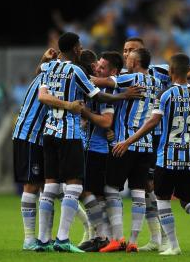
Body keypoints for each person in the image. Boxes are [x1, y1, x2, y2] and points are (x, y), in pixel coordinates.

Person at [92, 36, 190, 252]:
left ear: (138, 55)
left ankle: (127, 238)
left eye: (130, 51)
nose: (126, 54)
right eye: (124, 50)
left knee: (127, 190)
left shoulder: (135, 77)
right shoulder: (158, 81)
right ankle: (144, 239)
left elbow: (102, 83)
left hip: (139, 140)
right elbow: (184, 72)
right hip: (151, 144)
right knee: (144, 190)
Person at [34, 32, 143, 253]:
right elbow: (97, 96)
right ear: (75, 48)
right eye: (80, 45)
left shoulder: (48, 68)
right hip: (70, 135)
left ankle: (44, 240)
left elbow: (42, 96)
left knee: (52, 185)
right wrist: (123, 96)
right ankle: (66, 239)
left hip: (50, 132)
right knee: (75, 186)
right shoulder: (76, 72)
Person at [12, 48, 84, 251]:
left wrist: (43, 60)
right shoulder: (57, 76)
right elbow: (45, 98)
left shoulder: (47, 72)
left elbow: (40, 71)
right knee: (32, 185)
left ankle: (45, 239)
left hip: (40, 135)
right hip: (29, 134)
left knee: (48, 187)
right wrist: (70, 105)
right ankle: (29, 239)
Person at [99, 48, 163, 253]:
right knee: (138, 192)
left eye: (129, 58)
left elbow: (106, 82)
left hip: (123, 143)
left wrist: (82, 74)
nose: (126, 60)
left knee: (111, 189)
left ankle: (118, 238)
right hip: (145, 145)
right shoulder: (156, 82)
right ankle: (134, 241)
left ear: (135, 63)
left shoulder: (131, 77)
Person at [76, 50, 123, 252]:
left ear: (112, 71)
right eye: (96, 65)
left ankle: (104, 236)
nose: (97, 69)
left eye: (102, 67)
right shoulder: (96, 89)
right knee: (97, 194)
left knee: (87, 191)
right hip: (92, 147)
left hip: (99, 150)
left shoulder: (108, 93)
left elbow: (106, 121)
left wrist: (85, 112)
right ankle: (106, 237)